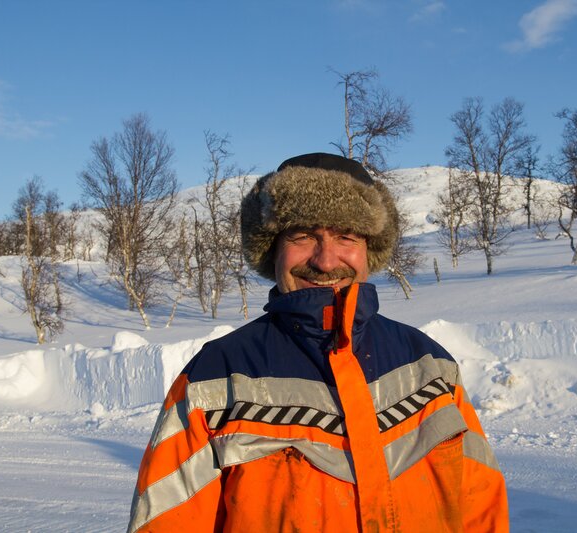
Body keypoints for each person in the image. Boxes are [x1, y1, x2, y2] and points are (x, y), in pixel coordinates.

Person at [127, 153, 508, 532]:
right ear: (272, 248)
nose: (326, 261)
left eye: (346, 236)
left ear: (368, 249)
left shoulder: (430, 367)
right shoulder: (215, 378)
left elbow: (481, 509)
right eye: (303, 235)